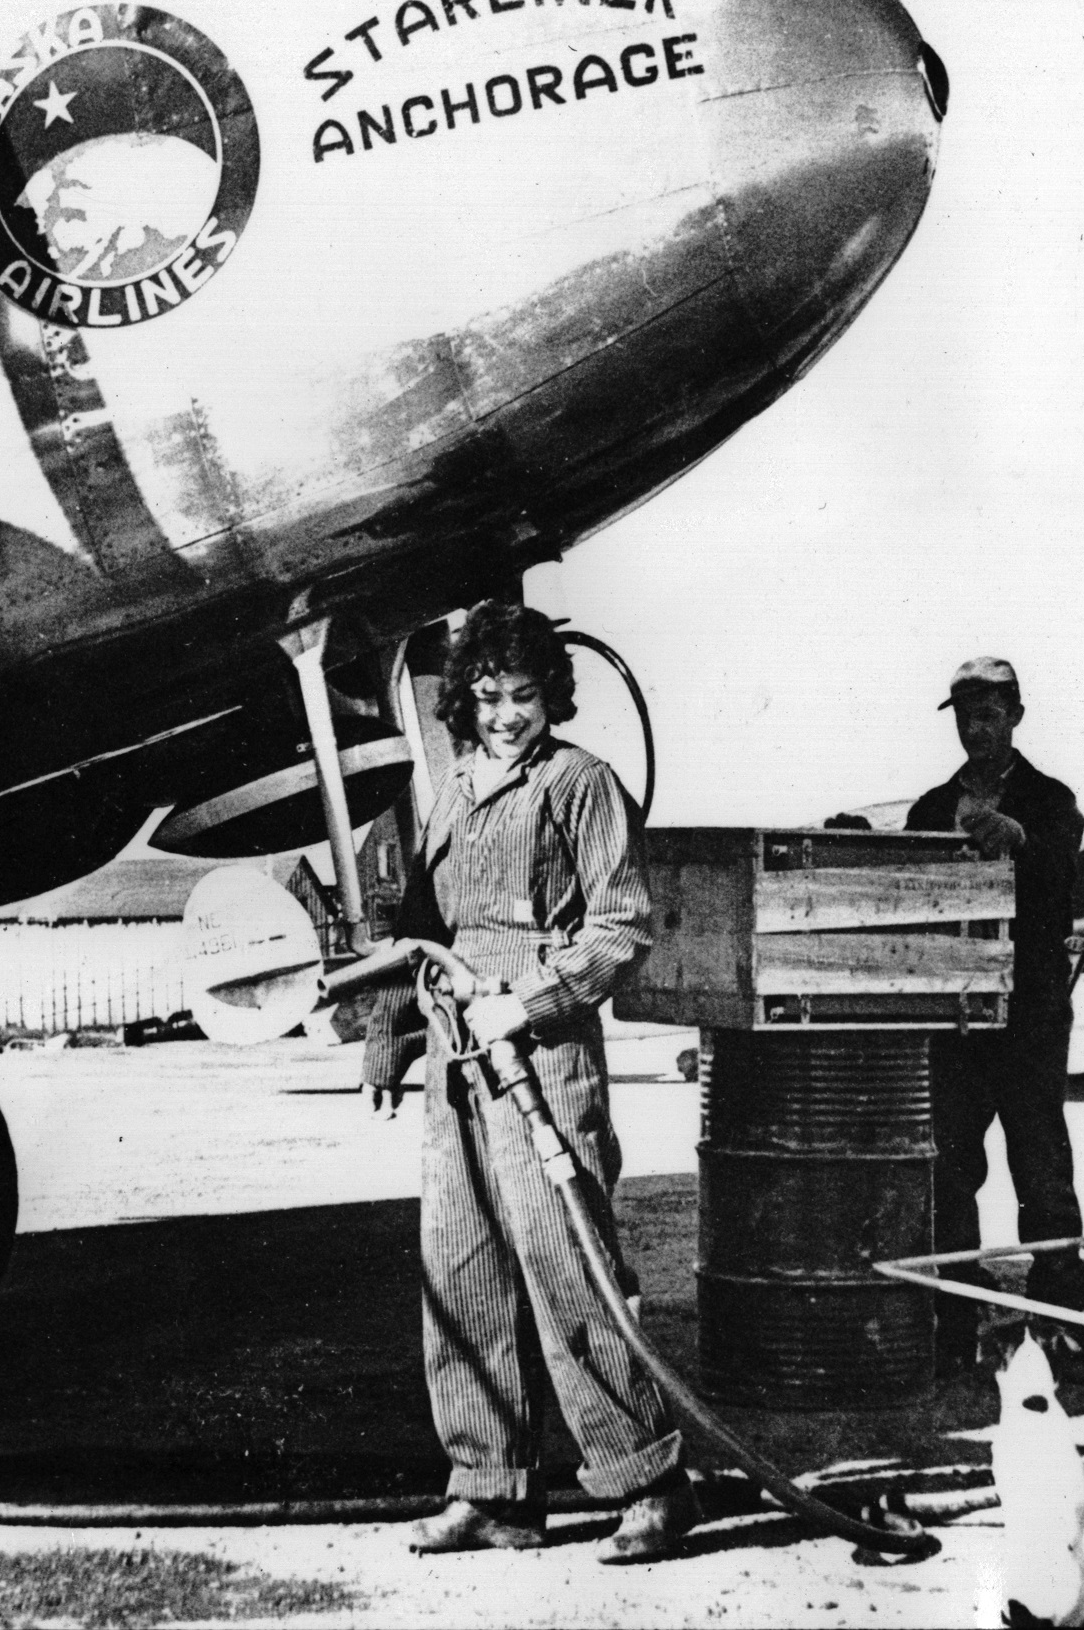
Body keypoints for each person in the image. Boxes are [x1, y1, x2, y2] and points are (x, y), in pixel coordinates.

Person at [364, 601, 694, 1564]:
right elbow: (419, 928)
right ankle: (491, 1489)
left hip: (543, 1054)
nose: (508, 713)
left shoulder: (581, 785)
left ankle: (649, 1483)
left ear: (553, 695)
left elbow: (623, 925)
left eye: (525, 695)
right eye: (489, 696)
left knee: (568, 1263)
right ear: (464, 702)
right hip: (458, 1058)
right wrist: (392, 1039)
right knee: (459, 1268)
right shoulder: (452, 788)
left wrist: (536, 1000)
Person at [909, 655, 1084, 1368]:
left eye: (987, 714)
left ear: (1016, 715)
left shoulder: (1051, 799)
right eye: (964, 715)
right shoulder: (931, 807)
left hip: (1029, 1014)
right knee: (949, 1167)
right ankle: (954, 1313)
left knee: (1040, 1160)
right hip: (955, 1021)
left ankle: (1062, 1310)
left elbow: (1063, 878)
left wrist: (1022, 843)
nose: (974, 728)